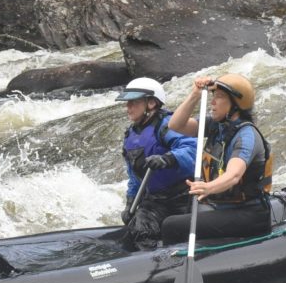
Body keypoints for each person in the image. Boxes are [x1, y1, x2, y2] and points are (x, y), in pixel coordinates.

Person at [161, 73, 274, 244]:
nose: (212, 102)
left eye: (219, 97)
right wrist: (195, 94)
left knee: (171, 225)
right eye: (213, 96)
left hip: (249, 213)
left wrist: (207, 188)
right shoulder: (216, 126)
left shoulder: (246, 136)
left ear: (236, 105)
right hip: (222, 207)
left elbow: (234, 175)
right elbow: (175, 125)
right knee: (177, 208)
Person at [116, 77, 197, 250]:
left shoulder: (166, 125)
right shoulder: (130, 135)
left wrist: (167, 159)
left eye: (133, 102)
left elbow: (191, 150)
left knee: (157, 229)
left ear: (151, 103)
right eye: (127, 102)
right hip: (154, 201)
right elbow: (134, 176)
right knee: (137, 229)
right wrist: (130, 202)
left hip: (183, 199)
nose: (128, 107)